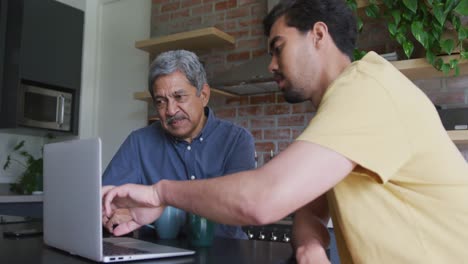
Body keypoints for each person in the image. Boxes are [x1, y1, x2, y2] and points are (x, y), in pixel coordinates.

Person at [102, 0, 468, 263]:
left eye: (278, 48)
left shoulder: (367, 90)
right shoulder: (340, 109)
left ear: (318, 35)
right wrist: (310, 244)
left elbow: (261, 200)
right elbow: (310, 209)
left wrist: (160, 192)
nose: (272, 65)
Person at [101, 50, 256, 240]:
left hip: (225, 253)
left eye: (179, 97)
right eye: (161, 102)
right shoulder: (139, 142)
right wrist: (114, 212)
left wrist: (159, 208)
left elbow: (237, 207)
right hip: (157, 255)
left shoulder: (237, 141)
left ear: (204, 95)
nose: (171, 110)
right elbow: (104, 203)